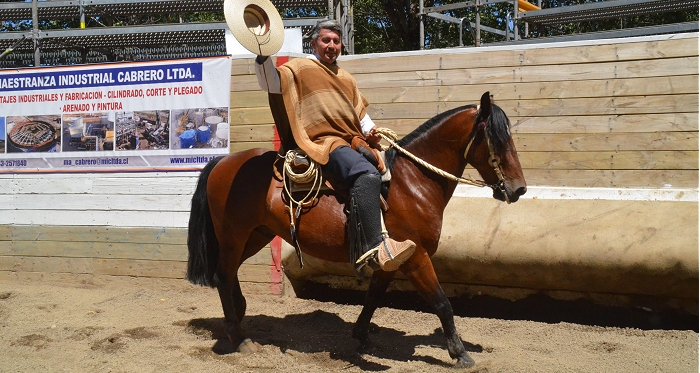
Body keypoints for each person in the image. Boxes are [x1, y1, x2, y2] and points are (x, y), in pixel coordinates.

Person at [254, 19, 415, 272]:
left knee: (390, 167)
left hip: (351, 140)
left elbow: (360, 117)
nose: (331, 45)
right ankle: (376, 247)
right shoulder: (299, 68)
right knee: (367, 174)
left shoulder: (346, 78)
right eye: (326, 40)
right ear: (314, 43)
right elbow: (270, 83)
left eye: (336, 41)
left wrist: (371, 132)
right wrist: (262, 54)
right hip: (323, 142)